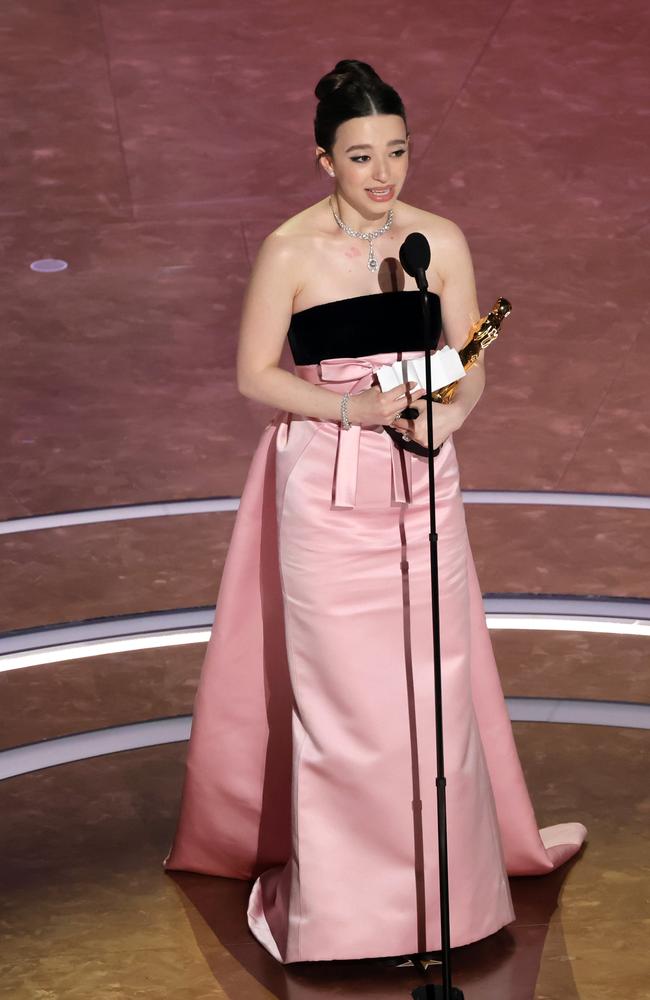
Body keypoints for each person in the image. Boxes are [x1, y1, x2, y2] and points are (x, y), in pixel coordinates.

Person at [164, 59, 587, 964]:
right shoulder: (289, 249)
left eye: (395, 151)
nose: (383, 173)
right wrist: (359, 409)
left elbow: (472, 355)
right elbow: (255, 375)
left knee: (432, 687)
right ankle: (353, 917)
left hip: (424, 482)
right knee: (347, 704)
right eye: (360, 157)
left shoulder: (438, 238)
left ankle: (452, 905)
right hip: (324, 481)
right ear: (324, 160)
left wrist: (450, 416)